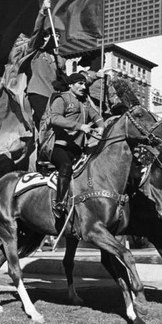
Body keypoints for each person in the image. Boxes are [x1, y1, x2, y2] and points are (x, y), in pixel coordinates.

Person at [49, 72, 105, 218]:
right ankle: (59, 203)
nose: (83, 86)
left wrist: (101, 126)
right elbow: (54, 118)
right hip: (59, 147)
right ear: (70, 85)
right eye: (80, 83)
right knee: (66, 166)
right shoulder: (62, 99)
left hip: (78, 149)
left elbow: (96, 116)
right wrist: (80, 126)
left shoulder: (84, 103)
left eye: (84, 83)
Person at [18, 0, 66, 130]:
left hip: (54, 96)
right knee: (46, 121)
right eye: (52, 35)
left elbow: (64, 79)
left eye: (58, 36)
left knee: (59, 124)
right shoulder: (35, 52)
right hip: (37, 93)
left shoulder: (60, 60)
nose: (56, 38)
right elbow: (36, 32)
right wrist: (42, 12)